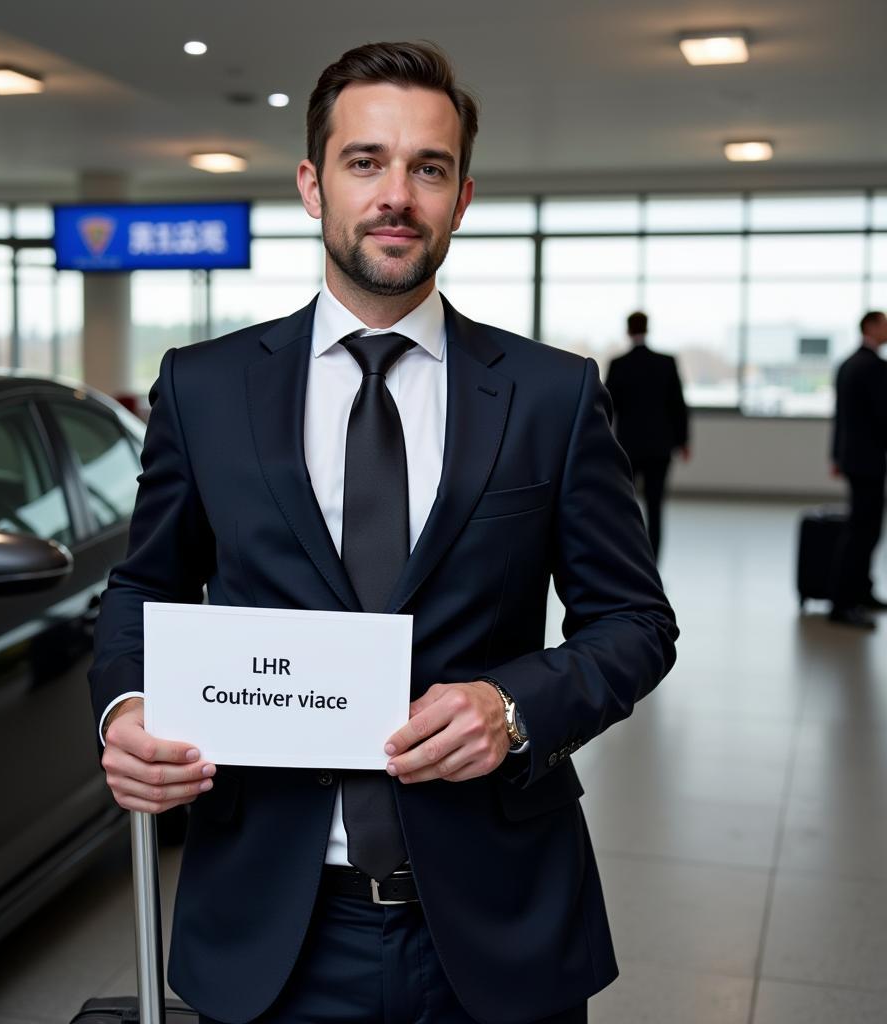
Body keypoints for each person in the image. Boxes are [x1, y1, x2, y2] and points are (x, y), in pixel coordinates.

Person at [90, 41, 678, 1024]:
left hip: (496, 922)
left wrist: (512, 704)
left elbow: (633, 621)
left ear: (462, 196)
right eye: (366, 161)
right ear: (313, 185)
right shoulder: (205, 388)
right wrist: (125, 710)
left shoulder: (548, 395)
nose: (397, 193)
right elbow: (143, 588)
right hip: (269, 928)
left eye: (429, 167)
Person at [603, 311, 690, 557]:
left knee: (624, 505)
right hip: (660, 447)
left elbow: (607, 408)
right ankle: (653, 562)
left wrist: (603, 444)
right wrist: (683, 442)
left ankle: (627, 557)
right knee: (655, 506)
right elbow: (678, 405)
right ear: (647, 329)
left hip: (627, 447)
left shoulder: (619, 365)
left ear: (628, 331)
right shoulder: (666, 362)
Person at [828, 310, 887, 629]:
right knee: (862, 532)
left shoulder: (848, 364)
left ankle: (861, 591)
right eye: (885, 324)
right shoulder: (875, 367)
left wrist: (835, 455)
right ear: (871, 327)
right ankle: (844, 603)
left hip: (853, 458)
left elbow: (841, 417)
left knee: (864, 529)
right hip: (869, 461)